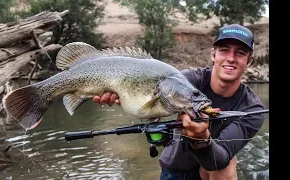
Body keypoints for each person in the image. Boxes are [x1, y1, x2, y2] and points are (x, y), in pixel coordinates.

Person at [92, 24, 265, 180]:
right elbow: (146, 106)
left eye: (240, 53)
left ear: (249, 60)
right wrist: (125, 95)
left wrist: (201, 138)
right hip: (176, 169)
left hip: (212, 168)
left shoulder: (252, 108)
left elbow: (219, 159)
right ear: (213, 54)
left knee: (227, 167)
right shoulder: (183, 79)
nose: (231, 58)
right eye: (224, 50)